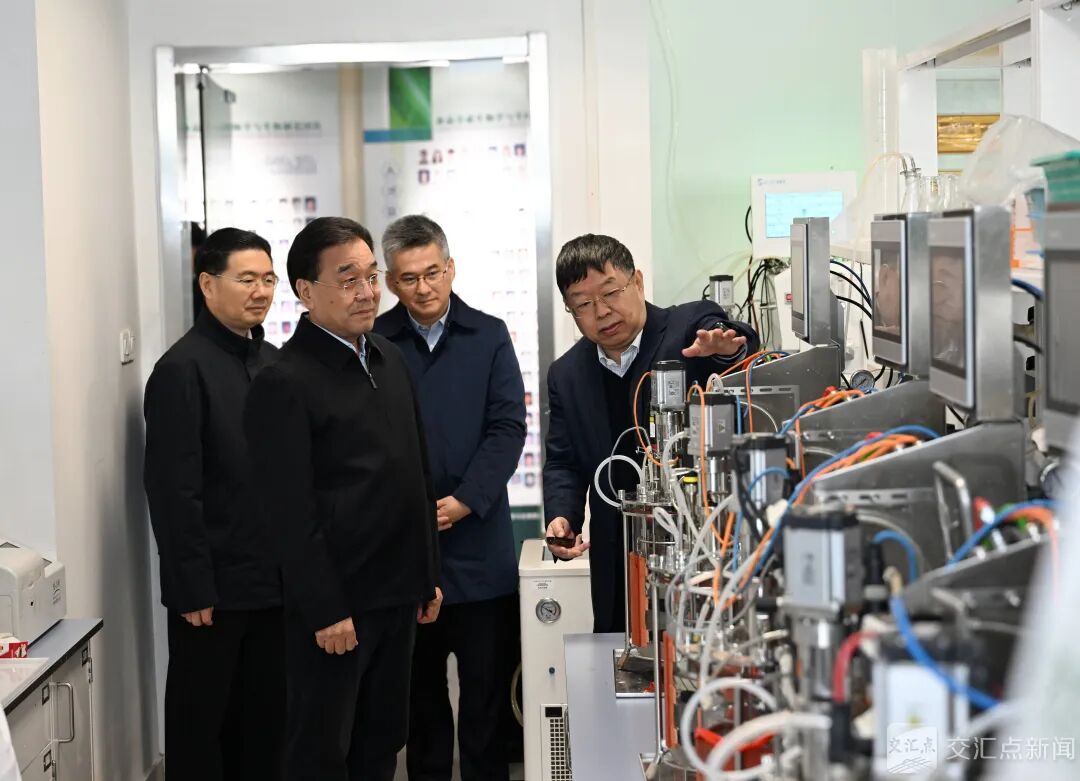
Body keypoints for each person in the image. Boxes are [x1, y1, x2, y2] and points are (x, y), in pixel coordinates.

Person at [244, 217, 443, 781]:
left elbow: (417, 472)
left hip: (398, 591)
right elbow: (288, 513)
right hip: (339, 608)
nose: (367, 292)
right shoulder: (284, 380)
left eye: (372, 277)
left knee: (382, 740)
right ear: (306, 292)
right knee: (322, 750)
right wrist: (326, 608)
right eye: (348, 279)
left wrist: (427, 572)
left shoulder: (388, 357)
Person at [543, 234, 760, 632]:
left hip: (695, 542)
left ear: (638, 282)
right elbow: (564, 462)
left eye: (611, 293)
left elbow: (731, 339)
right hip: (616, 555)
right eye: (584, 305)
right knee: (621, 648)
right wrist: (562, 515)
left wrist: (725, 347)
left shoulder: (687, 327)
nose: (602, 312)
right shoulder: (566, 374)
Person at [374, 215, 526, 781]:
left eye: (433, 273)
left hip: (480, 549)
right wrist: (409, 506)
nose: (423, 288)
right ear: (391, 282)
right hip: (408, 554)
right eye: (409, 278)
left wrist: (466, 499)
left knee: (485, 700)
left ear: (451, 268)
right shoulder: (375, 343)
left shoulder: (488, 335)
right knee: (421, 703)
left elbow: (508, 427)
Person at [143, 227, 284, 780]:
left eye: (268, 279)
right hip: (213, 591)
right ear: (207, 284)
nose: (261, 291)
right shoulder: (182, 368)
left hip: (274, 585)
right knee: (202, 730)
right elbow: (173, 488)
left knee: (266, 727)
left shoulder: (272, 362)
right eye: (246, 279)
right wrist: (191, 585)